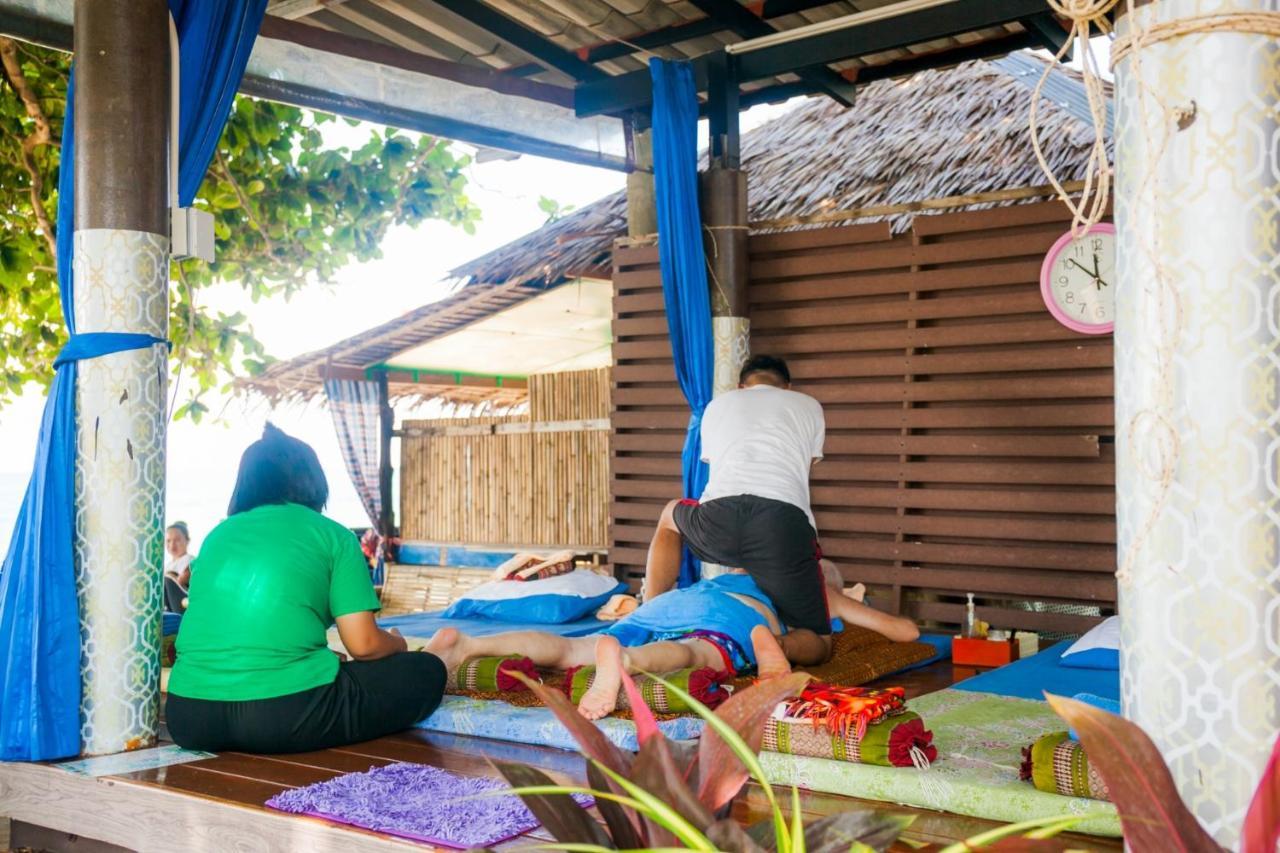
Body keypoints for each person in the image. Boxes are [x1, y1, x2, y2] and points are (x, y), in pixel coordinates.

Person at [166, 424, 447, 754]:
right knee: (425, 670)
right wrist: (399, 644)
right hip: (285, 717)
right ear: (313, 481)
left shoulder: (216, 537)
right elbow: (365, 645)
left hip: (189, 716)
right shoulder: (333, 536)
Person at [425, 560, 917, 720]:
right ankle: (627, 662)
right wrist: (842, 598)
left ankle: (465, 646)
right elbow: (906, 633)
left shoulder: (731, 574)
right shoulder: (816, 587)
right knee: (696, 653)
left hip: (672, 603)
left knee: (574, 649)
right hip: (731, 619)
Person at [642, 354, 834, 666]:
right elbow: (803, 468)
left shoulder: (718, 405)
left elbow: (721, 466)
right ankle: (778, 646)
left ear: (741, 386)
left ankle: (650, 611)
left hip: (717, 520)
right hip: (781, 526)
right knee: (819, 642)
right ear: (787, 386)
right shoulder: (808, 405)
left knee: (669, 515)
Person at [164, 521, 194, 589]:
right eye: (168, 541)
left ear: (187, 540)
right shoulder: (168, 565)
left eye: (177, 540)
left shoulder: (190, 561)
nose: (172, 545)